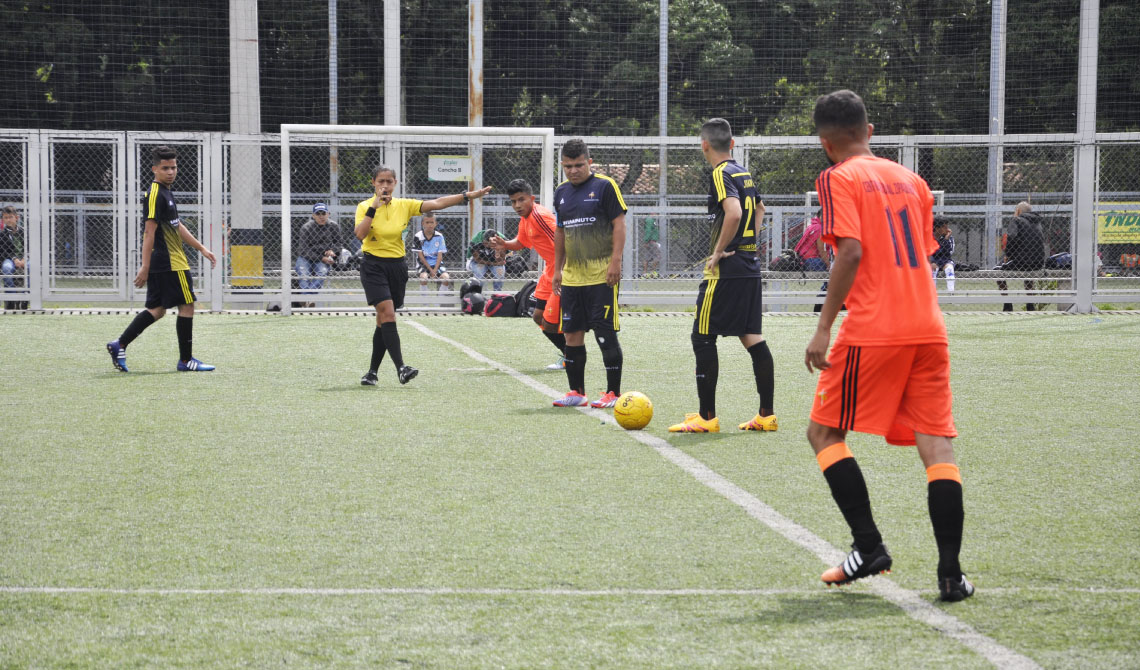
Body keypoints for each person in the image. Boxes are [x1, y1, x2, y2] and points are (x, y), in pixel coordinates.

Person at [804, 90, 973, 602]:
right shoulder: (914, 181)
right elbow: (917, 253)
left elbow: (851, 250)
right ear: (869, 131)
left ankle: (869, 546)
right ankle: (950, 575)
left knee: (823, 433)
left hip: (875, 328)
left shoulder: (836, 177)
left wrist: (824, 325)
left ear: (824, 143)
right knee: (937, 447)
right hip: (928, 326)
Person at [667, 118, 777, 433]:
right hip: (748, 265)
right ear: (731, 143)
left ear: (704, 145)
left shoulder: (720, 173)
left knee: (702, 336)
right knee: (751, 336)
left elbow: (734, 212)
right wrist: (748, 245)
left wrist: (718, 251)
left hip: (727, 268)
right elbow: (760, 210)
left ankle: (706, 417)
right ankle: (766, 415)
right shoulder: (742, 171)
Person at [355, 164, 491, 386]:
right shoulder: (364, 206)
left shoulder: (404, 205)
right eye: (381, 181)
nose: (385, 185)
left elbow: (437, 203)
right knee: (388, 314)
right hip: (373, 266)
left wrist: (467, 196)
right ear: (374, 183)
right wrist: (374, 207)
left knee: (383, 320)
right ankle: (401, 368)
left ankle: (371, 373)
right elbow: (360, 234)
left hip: (397, 267)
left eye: (389, 181)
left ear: (395, 183)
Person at [105, 145, 218, 372]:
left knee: (157, 309)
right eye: (165, 168)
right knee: (187, 305)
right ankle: (186, 361)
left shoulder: (166, 191)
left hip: (164, 261)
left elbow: (177, 226)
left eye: (174, 167)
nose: (171, 172)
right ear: (154, 169)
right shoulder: (156, 194)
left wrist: (201, 248)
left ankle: (120, 344)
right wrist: (144, 266)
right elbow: (149, 232)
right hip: (170, 261)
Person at [551, 138, 627, 409]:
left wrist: (615, 262)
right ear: (562, 165)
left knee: (604, 333)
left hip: (601, 276)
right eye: (568, 166)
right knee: (572, 334)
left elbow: (619, 223)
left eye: (579, 165)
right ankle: (577, 391)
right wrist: (558, 269)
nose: (573, 170)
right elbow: (560, 232)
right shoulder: (561, 192)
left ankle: (613, 393)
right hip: (572, 278)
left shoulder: (605, 186)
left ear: (589, 162)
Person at [487, 178, 567, 370]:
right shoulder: (525, 219)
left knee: (553, 320)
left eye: (521, 200)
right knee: (538, 317)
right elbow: (521, 242)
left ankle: (571, 356)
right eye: (513, 201)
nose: (517, 205)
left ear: (531, 198)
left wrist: (562, 271)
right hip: (550, 271)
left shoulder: (540, 216)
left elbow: (564, 240)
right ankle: (568, 355)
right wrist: (505, 245)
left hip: (562, 270)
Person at [997, 201, 1045, 311]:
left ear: (1018, 211)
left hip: (1022, 261)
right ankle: (1030, 304)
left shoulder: (1016, 220)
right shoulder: (1038, 223)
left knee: (997, 271)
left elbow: (1012, 238)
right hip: (1037, 263)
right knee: (1028, 276)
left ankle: (1007, 304)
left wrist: (1008, 255)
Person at [294, 202, 345, 306]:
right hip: (306, 257)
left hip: (323, 257)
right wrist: (321, 257)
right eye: (318, 214)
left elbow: (339, 243)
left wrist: (333, 250)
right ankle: (308, 298)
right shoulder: (306, 227)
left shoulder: (333, 226)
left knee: (322, 272)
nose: (321, 216)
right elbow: (303, 250)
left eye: (323, 213)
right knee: (303, 273)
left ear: (328, 214)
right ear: (313, 216)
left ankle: (308, 298)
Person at [412, 211, 451, 290]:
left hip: (436, 264)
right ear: (423, 223)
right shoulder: (418, 236)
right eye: (427, 222)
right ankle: (425, 301)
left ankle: (439, 301)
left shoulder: (439, 236)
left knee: (446, 279)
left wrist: (435, 270)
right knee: (424, 278)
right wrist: (431, 270)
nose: (429, 225)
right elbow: (421, 257)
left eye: (432, 222)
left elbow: (440, 256)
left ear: (435, 223)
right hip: (423, 264)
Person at [1, 206, 28, 310]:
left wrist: (25, 258)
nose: (8, 220)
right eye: (5, 217)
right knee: (6, 268)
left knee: (30, 267)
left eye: (11, 217)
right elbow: (4, 251)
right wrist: (15, 259)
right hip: (10, 259)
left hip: (25, 258)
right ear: (3, 219)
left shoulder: (24, 232)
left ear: (17, 218)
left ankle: (26, 297)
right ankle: (11, 298)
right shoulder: (2, 234)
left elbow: (30, 247)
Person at [931, 215, 956, 292]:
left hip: (945, 260)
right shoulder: (929, 237)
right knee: (933, 270)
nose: (947, 229)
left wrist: (946, 239)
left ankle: (951, 294)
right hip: (933, 260)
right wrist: (931, 261)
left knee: (949, 269)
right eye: (944, 227)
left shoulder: (949, 238)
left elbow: (949, 252)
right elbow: (928, 251)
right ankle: (932, 294)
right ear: (937, 228)